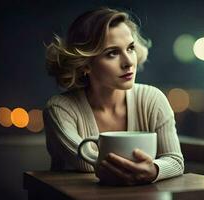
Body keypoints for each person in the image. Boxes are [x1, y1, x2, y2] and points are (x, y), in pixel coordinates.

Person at [43, 7, 184, 186]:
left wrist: (154, 170)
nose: (128, 62)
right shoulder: (60, 108)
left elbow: (176, 161)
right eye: (112, 53)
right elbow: (84, 161)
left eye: (130, 48)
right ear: (85, 64)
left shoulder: (153, 99)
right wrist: (140, 168)